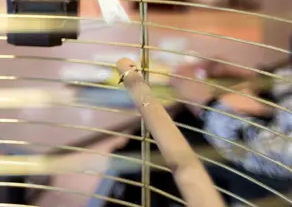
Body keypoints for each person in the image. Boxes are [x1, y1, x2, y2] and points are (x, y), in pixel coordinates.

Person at [106, 57, 292, 205]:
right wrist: (257, 79)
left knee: (152, 144)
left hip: (266, 176)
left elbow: (275, 154)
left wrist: (206, 104)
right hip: (267, 136)